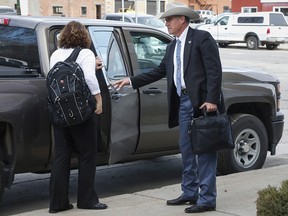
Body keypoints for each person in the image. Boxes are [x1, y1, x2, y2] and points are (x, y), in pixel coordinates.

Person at [113, 3, 223, 214]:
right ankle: (190, 192)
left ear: (182, 19)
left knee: (206, 150)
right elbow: (159, 71)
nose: (166, 24)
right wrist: (130, 80)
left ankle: (207, 198)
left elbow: (214, 70)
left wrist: (212, 100)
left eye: (169, 20)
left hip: (201, 103)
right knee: (187, 149)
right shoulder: (172, 46)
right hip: (182, 103)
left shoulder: (202, 38)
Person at [49, 21, 107, 213]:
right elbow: (89, 79)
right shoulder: (86, 53)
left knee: (61, 156)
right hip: (81, 112)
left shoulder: (56, 54)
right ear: (84, 37)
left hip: (59, 112)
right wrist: (98, 100)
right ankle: (87, 200)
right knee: (87, 154)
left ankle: (58, 203)